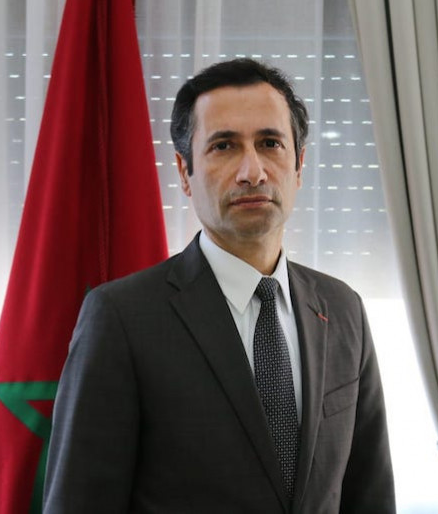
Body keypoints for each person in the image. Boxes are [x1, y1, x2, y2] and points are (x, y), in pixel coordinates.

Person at [43, 58, 395, 513]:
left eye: (270, 143)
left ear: (299, 165)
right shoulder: (121, 318)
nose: (253, 172)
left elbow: (370, 497)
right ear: (184, 172)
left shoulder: (343, 309)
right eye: (224, 146)